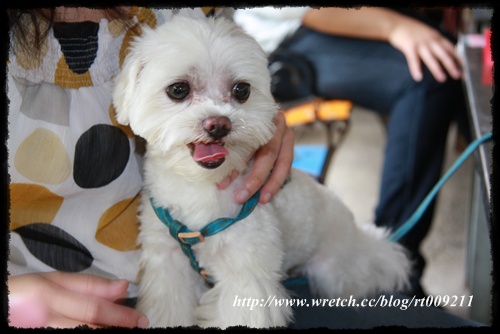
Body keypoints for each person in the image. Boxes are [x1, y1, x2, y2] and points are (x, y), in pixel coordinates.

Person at [5, 6, 481, 330]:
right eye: (179, 92)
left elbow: (244, 77)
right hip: (48, 298)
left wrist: (265, 123)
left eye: (235, 95)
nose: (216, 118)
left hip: (288, 262)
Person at [5, 7, 293, 328]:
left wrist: (263, 115)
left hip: (187, 276)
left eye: (237, 92)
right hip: (33, 298)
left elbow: (236, 65)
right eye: (179, 91)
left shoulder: (188, 15)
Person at [234, 6, 468, 299]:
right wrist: (395, 27)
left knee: (449, 49)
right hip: (285, 33)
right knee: (428, 74)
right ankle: (393, 268)